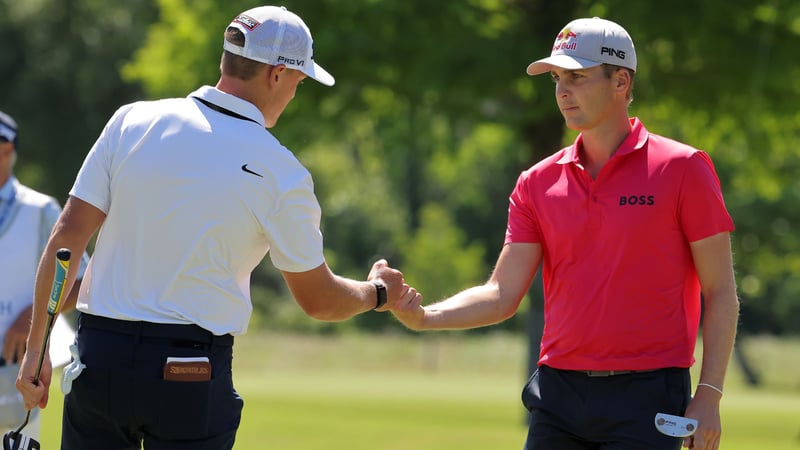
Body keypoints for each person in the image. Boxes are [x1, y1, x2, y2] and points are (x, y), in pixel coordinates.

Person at [16, 6, 418, 450]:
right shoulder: (282, 172)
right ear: (277, 75)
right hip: (190, 373)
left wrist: (37, 348)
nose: (294, 94)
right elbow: (320, 301)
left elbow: (67, 240)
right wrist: (377, 292)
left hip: (98, 363)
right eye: (299, 82)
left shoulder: (131, 121)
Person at [390, 17, 739, 450]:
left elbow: (721, 291)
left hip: (648, 397)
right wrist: (425, 317)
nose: (562, 91)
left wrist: (709, 394)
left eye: (577, 76)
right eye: (557, 78)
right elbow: (501, 293)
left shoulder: (683, 169)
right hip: (557, 397)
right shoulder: (535, 183)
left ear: (621, 81)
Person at [0, 110, 90, 439]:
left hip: (14, 375)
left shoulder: (40, 210)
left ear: (7, 149)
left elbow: (81, 282)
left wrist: (31, 319)